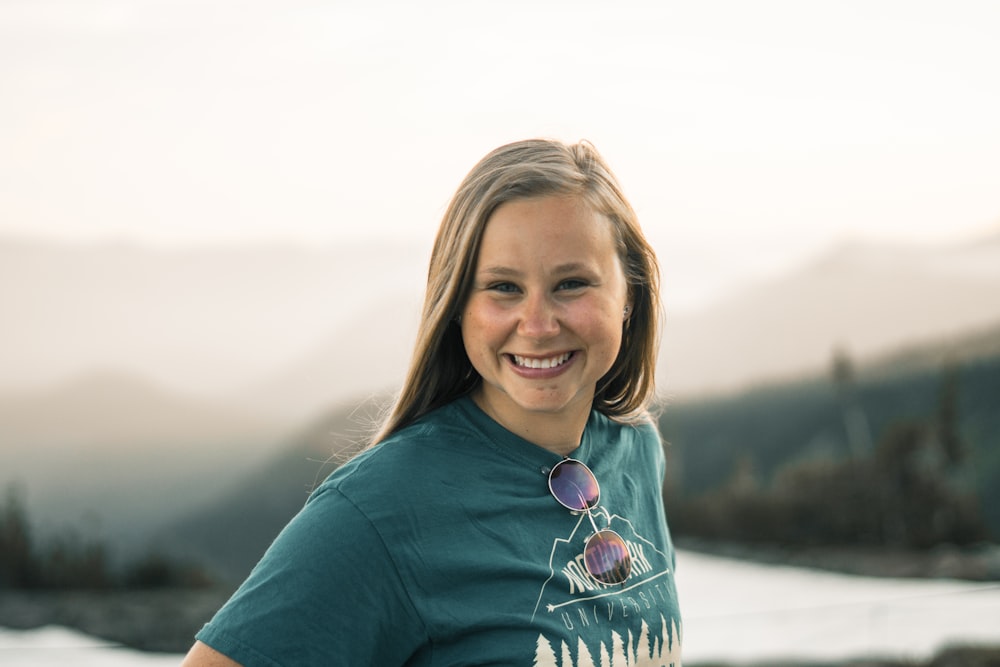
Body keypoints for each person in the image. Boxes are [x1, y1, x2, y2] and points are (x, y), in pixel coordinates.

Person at [181, 138, 682, 666]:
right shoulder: (381, 510)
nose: (537, 324)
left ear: (630, 294)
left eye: (572, 283)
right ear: (457, 307)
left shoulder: (636, 448)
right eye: (503, 287)